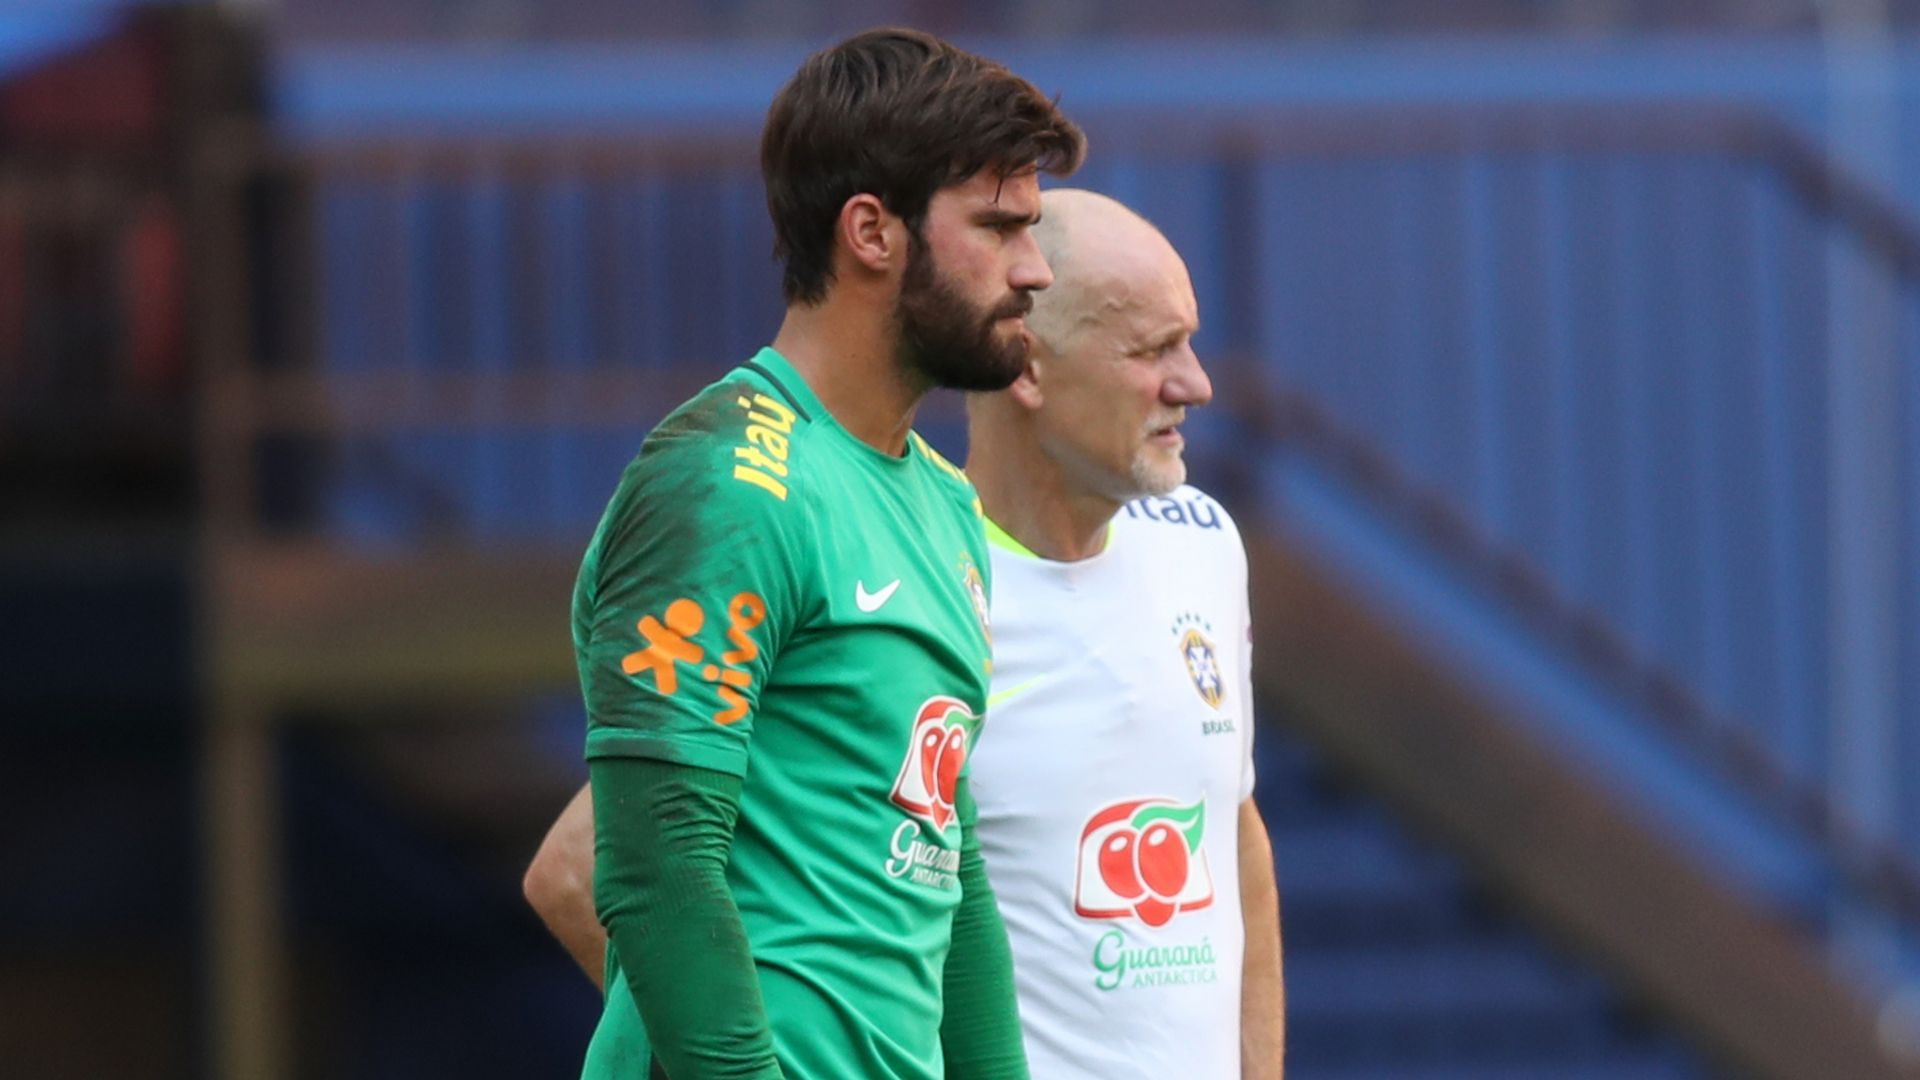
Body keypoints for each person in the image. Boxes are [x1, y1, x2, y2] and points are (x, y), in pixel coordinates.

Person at [534, 186, 1284, 1077]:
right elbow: (587, 872)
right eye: (1153, 348)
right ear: (1029, 368)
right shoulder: (904, 574)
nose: (1194, 383)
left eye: (1190, 341)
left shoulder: (1200, 544)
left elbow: (1232, 840)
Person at [565, 27, 1083, 1080]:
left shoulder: (943, 504)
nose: (1034, 270)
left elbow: (951, 862)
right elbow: (659, 874)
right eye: (999, 227)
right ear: (871, 234)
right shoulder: (723, 482)